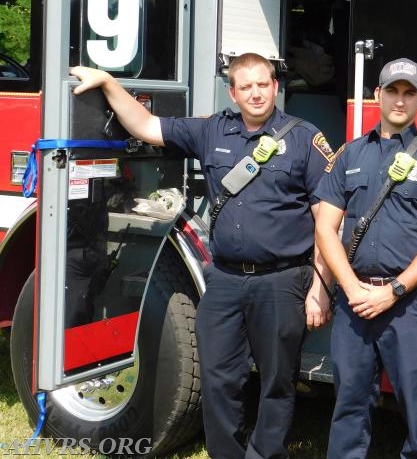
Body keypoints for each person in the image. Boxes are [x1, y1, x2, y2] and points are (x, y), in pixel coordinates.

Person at [70, 54, 335, 459]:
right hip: (225, 282)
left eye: (262, 84)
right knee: (217, 378)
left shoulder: (305, 139)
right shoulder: (213, 130)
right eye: (245, 87)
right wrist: (108, 82)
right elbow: (144, 124)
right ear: (233, 92)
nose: (255, 93)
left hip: (282, 282)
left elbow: (327, 221)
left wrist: (321, 287)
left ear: (275, 87)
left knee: (277, 382)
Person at [314, 58, 417, 459]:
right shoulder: (349, 155)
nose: (400, 100)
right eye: (392, 91)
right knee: (348, 405)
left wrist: (394, 291)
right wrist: (349, 287)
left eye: (409, 93)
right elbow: (326, 228)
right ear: (376, 95)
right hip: (355, 303)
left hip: (409, 306)